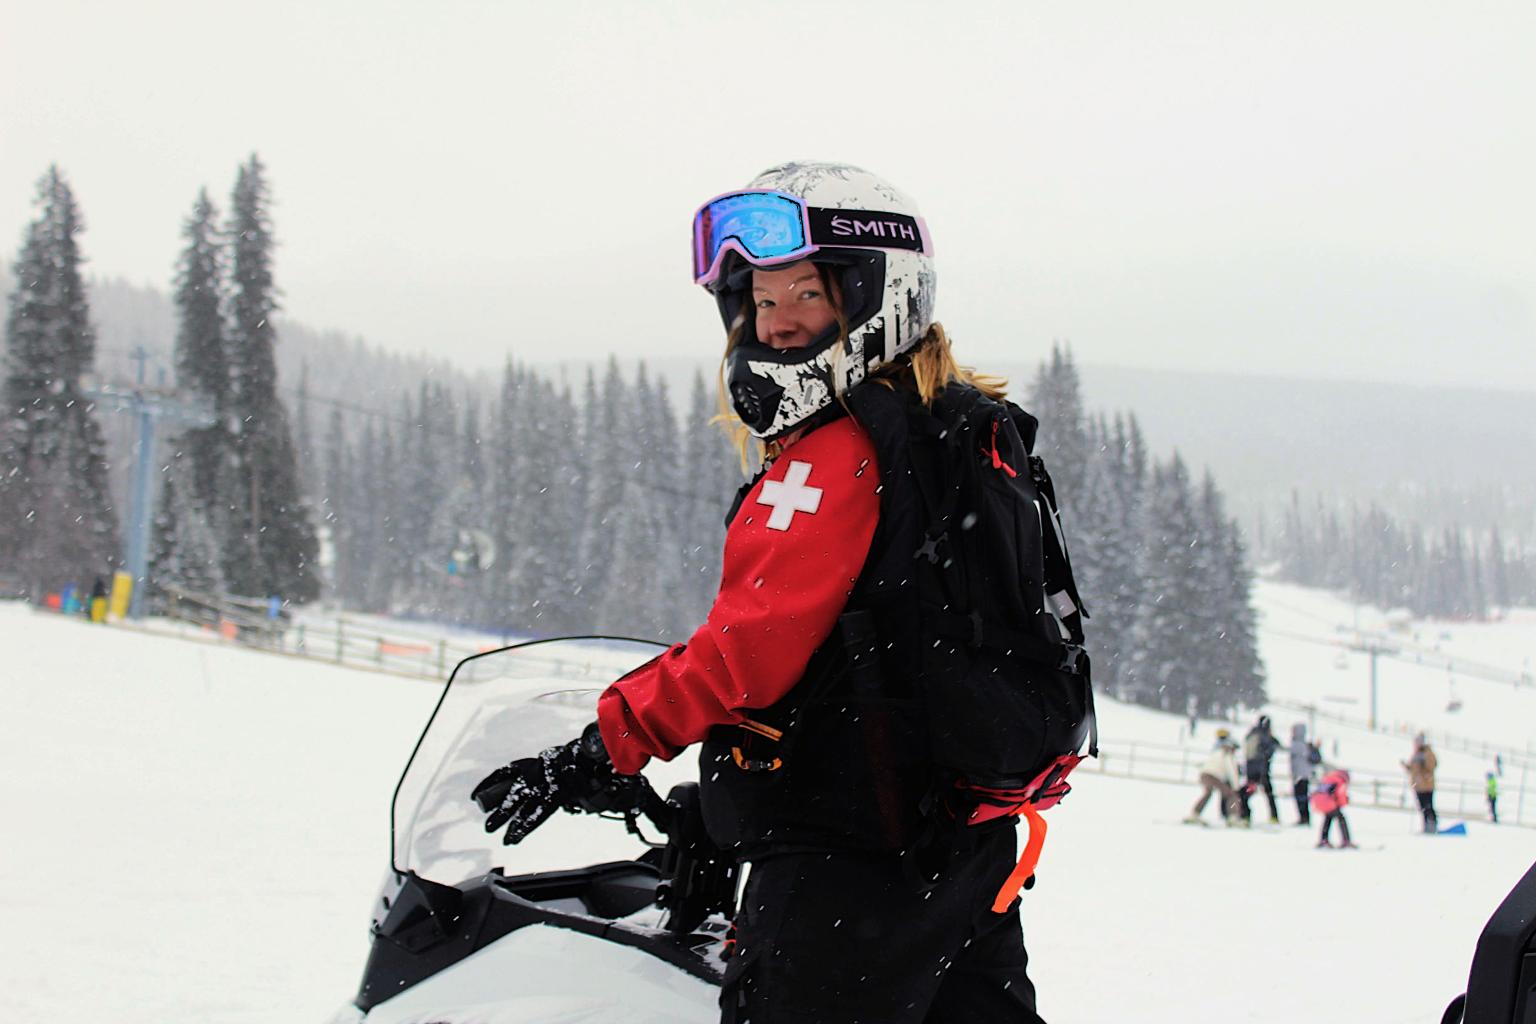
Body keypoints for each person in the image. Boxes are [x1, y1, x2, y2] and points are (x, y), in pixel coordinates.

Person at [473, 162, 1093, 1024]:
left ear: (875, 295)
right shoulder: (948, 424)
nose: (780, 322)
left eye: (806, 292)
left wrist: (601, 744)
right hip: (954, 844)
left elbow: (745, 653)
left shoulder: (840, 453)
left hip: (850, 867)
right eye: (762, 301)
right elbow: (885, 645)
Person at [1185, 729, 1241, 826]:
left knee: (1208, 793)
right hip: (1214, 776)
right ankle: (1233, 818)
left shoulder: (1217, 751)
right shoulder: (1228, 754)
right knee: (1232, 795)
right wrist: (1236, 787)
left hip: (1204, 774)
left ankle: (1194, 814)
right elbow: (1231, 771)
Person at [1241, 714, 1281, 824]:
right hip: (1262, 769)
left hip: (1250, 768)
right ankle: (1274, 816)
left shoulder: (1251, 734)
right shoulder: (1265, 735)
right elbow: (1272, 748)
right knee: (1269, 793)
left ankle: (1244, 813)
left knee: (1248, 792)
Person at [1311, 767, 1357, 849]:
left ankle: (1323, 840)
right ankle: (1346, 840)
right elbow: (1341, 795)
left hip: (1318, 801)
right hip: (1328, 802)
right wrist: (1344, 802)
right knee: (1341, 818)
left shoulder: (1328, 778)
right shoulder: (1340, 781)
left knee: (1328, 818)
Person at [1403, 733, 1439, 834]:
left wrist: (1424, 765)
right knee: (1422, 807)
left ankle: (1432, 825)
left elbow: (1431, 766)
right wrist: (1406, 766)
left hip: (1426, 785)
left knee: (1428, 806)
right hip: (1418, 786)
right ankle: (1426, 826)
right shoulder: (1416, 754)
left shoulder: (1427, 753)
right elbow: (1413, 769)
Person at [1288, 722, 1318, 825]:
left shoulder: (1297, 745)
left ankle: (1303, 818)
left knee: (1300, 797)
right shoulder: (1306, 745)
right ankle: (1305, 817)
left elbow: (1295, 761)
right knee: (1303, 797)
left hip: (1299, 775)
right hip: (1304, 775)